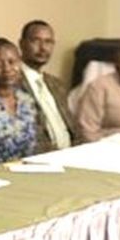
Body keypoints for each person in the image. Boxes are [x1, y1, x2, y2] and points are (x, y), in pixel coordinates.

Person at [18, 20, 75, 152]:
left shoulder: (57, 84)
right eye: (36, 41)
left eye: (48, 42)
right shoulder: (12, 83)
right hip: (40, 157)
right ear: (22, 44)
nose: (43, 48)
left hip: (71, 154)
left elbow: (74, 129)